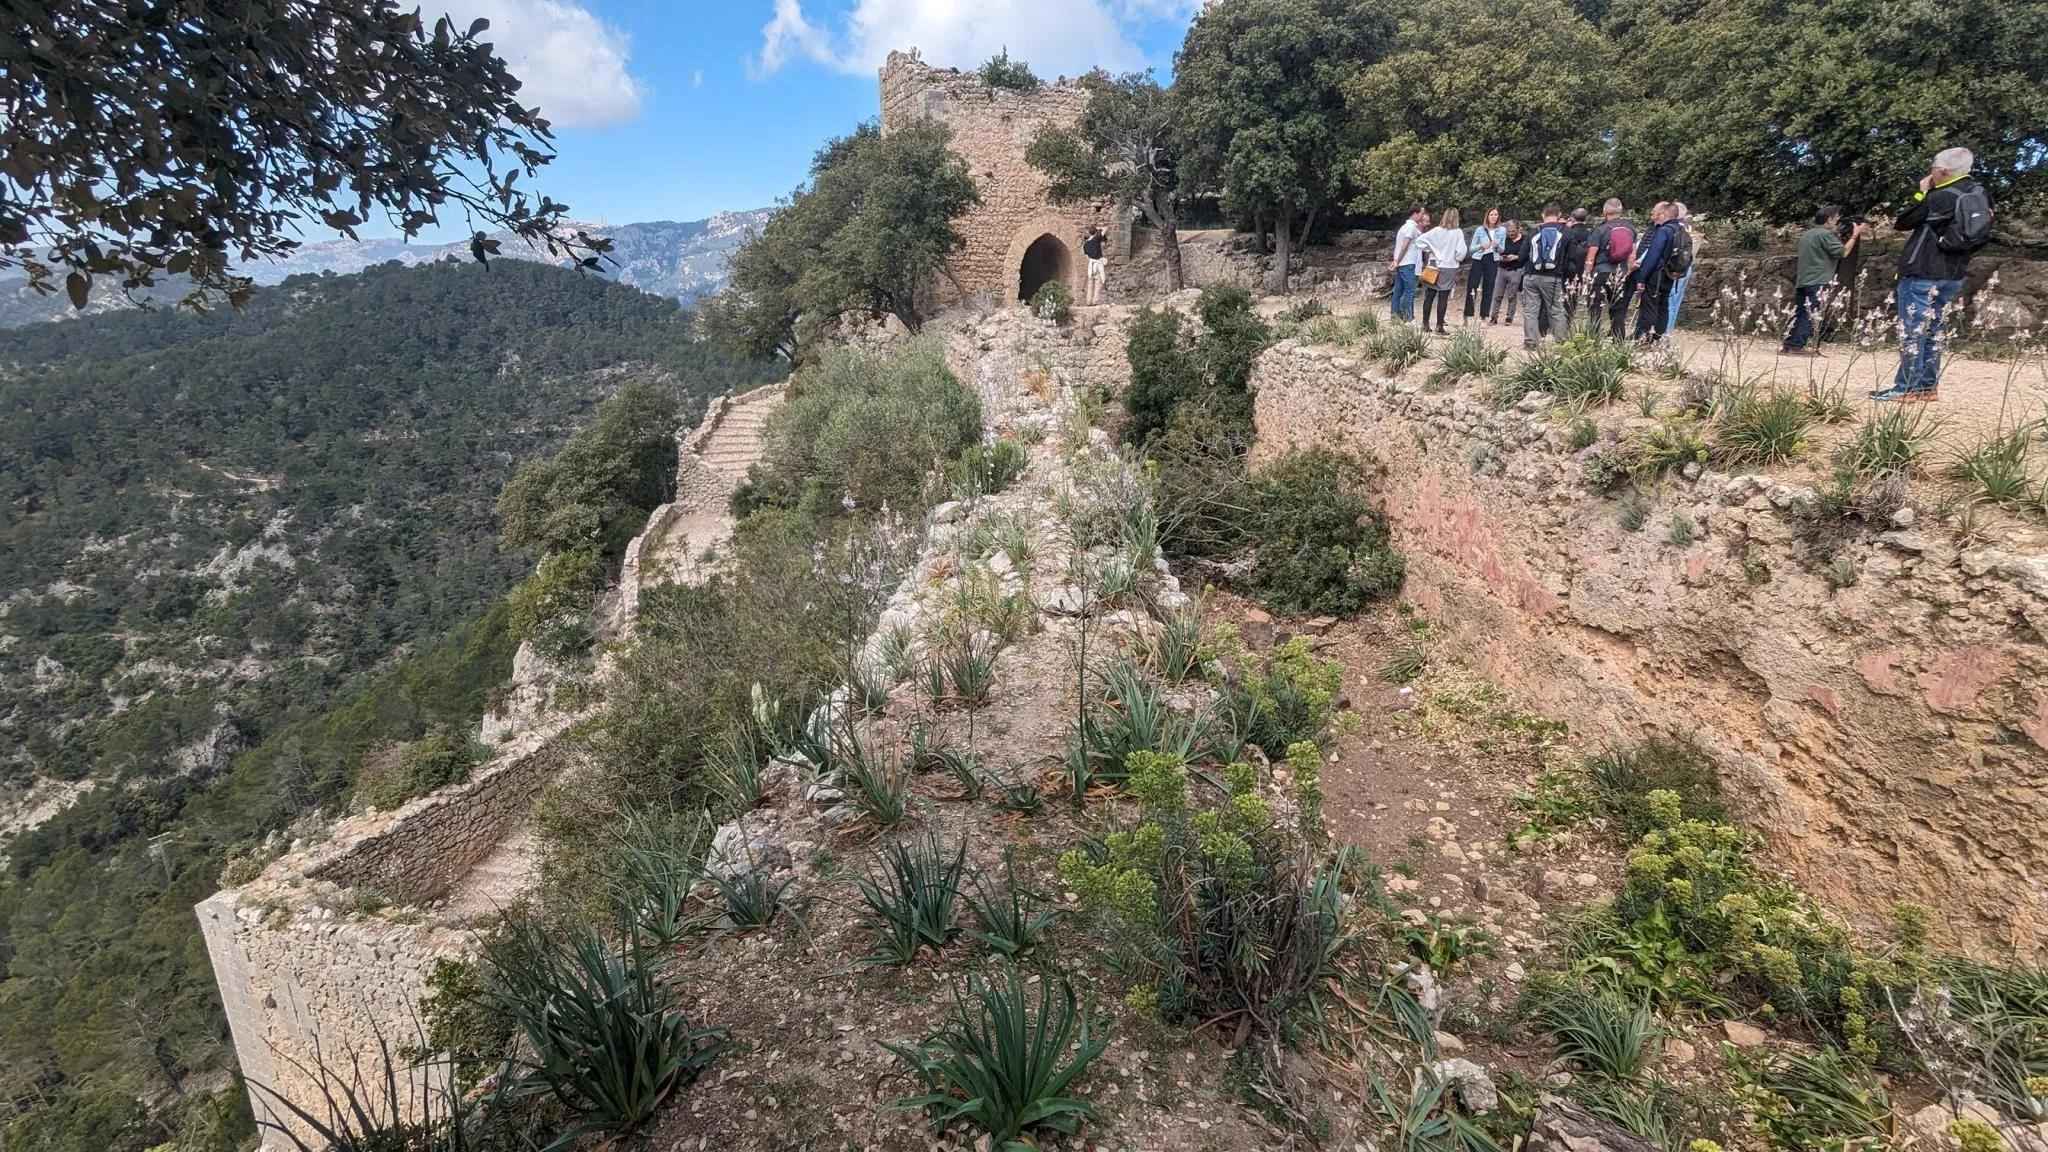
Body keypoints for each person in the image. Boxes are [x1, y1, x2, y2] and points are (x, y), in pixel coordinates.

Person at [1878, 147, 1992, 402]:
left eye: (1932, 167)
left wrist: (1923, 191)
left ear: (1942, 171)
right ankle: (1927, 387)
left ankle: (1905, 388)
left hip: (1922, 271)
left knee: (1913, 330)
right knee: (1934, 329)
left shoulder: (1939, 196)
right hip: (1953, 273)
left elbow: (1903, 221)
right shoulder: (1979, 193)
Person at [1783, 206, 1865, 355]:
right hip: (1818, 280)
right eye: (1836, 218)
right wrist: (1855, 235)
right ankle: (1796, 347)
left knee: (1800, 312)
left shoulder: (1808, 234)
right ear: (1829, 219)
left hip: (1803, 280)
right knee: (1812, 314)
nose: (1837, 221)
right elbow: (1843, 252)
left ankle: (1788, 345)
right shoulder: (1825, 235)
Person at [1584, 198, 1637, 340]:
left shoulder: (1600, 230)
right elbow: (1632, 254)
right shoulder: (1630, 229)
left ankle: (1593, 339)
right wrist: (1628, 272)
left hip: (1601, 272)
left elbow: (1591, 255)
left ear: (1604, 212)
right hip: (1620, 273)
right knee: (1618, 309)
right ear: (1620, 211)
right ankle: (1618, 340)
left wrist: (1587, 274)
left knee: (1595, 307)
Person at [1629, 202, 1680, 344]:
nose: (1656, 216)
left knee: (1649, 306)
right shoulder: (1681, 231)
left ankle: (1643, 338)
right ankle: (1658, 337)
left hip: (1656, 275)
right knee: (1663, 306)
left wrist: (1642, 278)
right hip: (1671, 275)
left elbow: (1653, 255)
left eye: (1657, 213)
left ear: (1664, 214)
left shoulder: (1664, 231)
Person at [1521, 204, 1570, 349]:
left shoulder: (1533, 231)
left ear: (1543, 215)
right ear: (1559, 215)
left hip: (1531, 276)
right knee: (1556, 310)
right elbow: (1571, 257)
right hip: (1553, 278)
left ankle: (1531, 343)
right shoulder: (1566, 232)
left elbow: (1522, 255)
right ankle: (1561, 343)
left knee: (1530, 310)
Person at [1417, 207, 1468, 335]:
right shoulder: (1458, 232)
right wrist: (1456, 258)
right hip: (1449, 266)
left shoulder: (1436, 231)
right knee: (1443, 297)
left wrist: (1432, 250)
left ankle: (1425, 324)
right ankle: (1439, 326)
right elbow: (1461, 252)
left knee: (1429, 295)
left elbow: (1419, 241)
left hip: (1434, 264)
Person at [1464, 207, 1505, 324]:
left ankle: (1484, 315)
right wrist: (1482, 246)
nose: (1494, 217)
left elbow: (1502, 249)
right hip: (1479, 258)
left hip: (1493, 259)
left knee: (1489, 287)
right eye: (1491, 214)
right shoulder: (1480, 230)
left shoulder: (1502, 230)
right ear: (1487, 216)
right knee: (1473, 285)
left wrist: (1497, 246)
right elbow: (1471, 249)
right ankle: (1469, 314)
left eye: (1496, 215)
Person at [1389, 204, 1429, 322]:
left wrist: (1397, 260)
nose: (1422, 216)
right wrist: (1397, 260)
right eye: (1421, 214)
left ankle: (1395, 316)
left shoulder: (1405, 227)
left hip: (1403, 263)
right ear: (1415, 214)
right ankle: (1407, 317)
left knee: (1398, 290)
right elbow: (1404, 245)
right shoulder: (1411, 228)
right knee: (1409, 291)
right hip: (1408, 263)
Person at [1665, 203, 1701, 330]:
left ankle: (1663, 333)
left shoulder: (1673, 230)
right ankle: (1668, 332)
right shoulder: (1689, 230)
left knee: (1668, 301)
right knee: (1675, 302)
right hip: (1686, 268)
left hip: (1673, 269)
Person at [1493, 218, 1529, 327]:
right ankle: (1493, 317)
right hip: (1502, 268)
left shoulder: (1525, 240)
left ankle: (1509, 317)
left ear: (1519, 229)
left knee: (1512, 295)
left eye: (1513, 231)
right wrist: (1499, 252)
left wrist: (1516, 257)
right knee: (1497, 294)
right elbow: (1501, 251)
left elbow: (1526, 255)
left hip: (1516, 270)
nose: (1511, 233)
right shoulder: (1505, 239)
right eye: (1509, 231)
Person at [1561, 207, 1592, 329]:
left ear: (1572, 218)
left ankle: (1562, 323)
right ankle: (1569, 320)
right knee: (1574, 296)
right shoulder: (1591, 233)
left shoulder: (1567, 232)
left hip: (1567, 267)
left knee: (1564, 294)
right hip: (1582, 269)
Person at [1083, 224, 1108, 305]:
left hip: (1091, 265)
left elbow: (1086, 256)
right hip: (1097, 265)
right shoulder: (1096, 239)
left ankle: (1088, 301)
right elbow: (1106, 228)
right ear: (1095, 232)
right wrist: (1099, 228)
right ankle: (1095, 301)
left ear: (1089, 233)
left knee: (1090, 284)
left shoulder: (1085, 245)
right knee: (1098, 283)